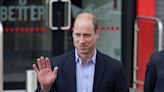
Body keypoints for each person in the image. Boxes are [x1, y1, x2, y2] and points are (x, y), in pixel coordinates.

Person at [33, 12, 129, 92]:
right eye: (78, 35)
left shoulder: (114, 68)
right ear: (72, 33)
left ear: (97, 34)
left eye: (86, 35)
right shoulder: (56, 66)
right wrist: (44, 88)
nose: (82, 41)